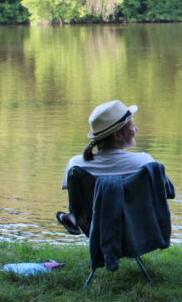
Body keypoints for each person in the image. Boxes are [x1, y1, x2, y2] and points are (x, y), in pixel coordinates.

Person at [56, 100, 157, 234]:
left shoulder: (76, 165)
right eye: (132, 125)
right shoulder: (145, 161)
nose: (136, 129)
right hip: (136, 229)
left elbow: (76, 201)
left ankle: (72, 218)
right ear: (117, 135)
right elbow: (165, 193)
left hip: (95, 228)